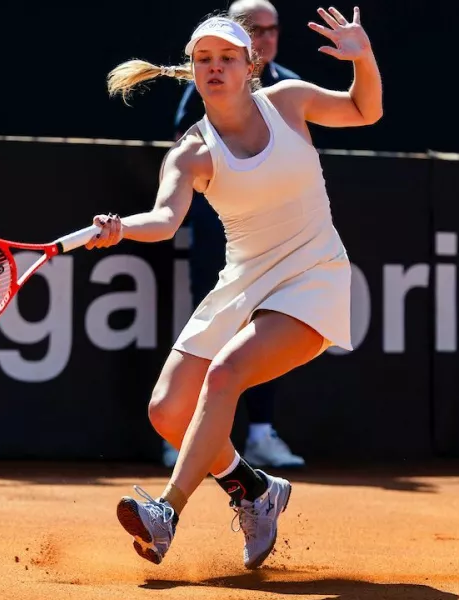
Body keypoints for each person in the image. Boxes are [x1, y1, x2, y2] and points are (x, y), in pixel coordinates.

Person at [89, 6, 382, 569]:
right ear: (193, 70)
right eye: (204, 61)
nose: (215, 69)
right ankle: (255, 490)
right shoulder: (192, 151)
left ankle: (167, 510)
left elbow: (365, 110)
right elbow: (165, 220)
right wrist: (122, 228)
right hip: (244, 279)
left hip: (312, 273)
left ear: (251, 66)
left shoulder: (291, 101)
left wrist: (362, 57)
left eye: (227, 59)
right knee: (168, 410)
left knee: (224, 375)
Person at [164, 0, 306, 471]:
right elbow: (190, 155)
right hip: (218, 236)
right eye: (253, 29)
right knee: (211, 339)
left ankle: (261, 434)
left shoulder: (287, 89)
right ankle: (184, 433)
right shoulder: (205, 90)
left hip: (277, 242)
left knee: (260, 338)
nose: (264, 37)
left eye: (271, 28)